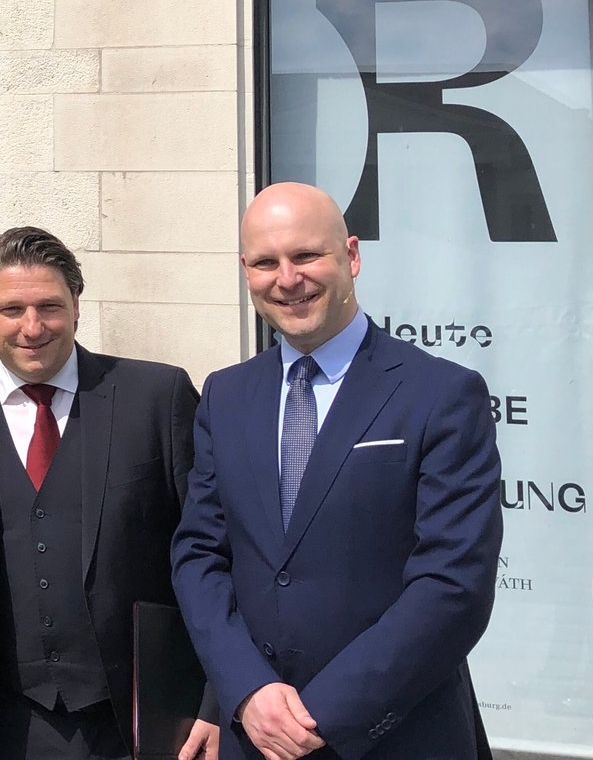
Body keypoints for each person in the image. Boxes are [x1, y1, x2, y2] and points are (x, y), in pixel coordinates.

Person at [172, 182, 503, 760]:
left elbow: (454, 585)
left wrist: (321, 716)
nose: (287, 278)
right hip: (253, 733)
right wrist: (245, 689)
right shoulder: (226, 395)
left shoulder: (441, 393)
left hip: (394, 734)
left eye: (306, 256)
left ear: (350, 256)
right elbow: (200, 555)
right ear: (245, 271)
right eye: (265, 262)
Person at [0, 226, 218, 760]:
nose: (32, 327)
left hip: (142, 719)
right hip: (5, 722)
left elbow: (213, 553)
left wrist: (214, 703)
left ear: (77, 306)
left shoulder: (157, 395)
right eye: (12, 309)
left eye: (50, 306)